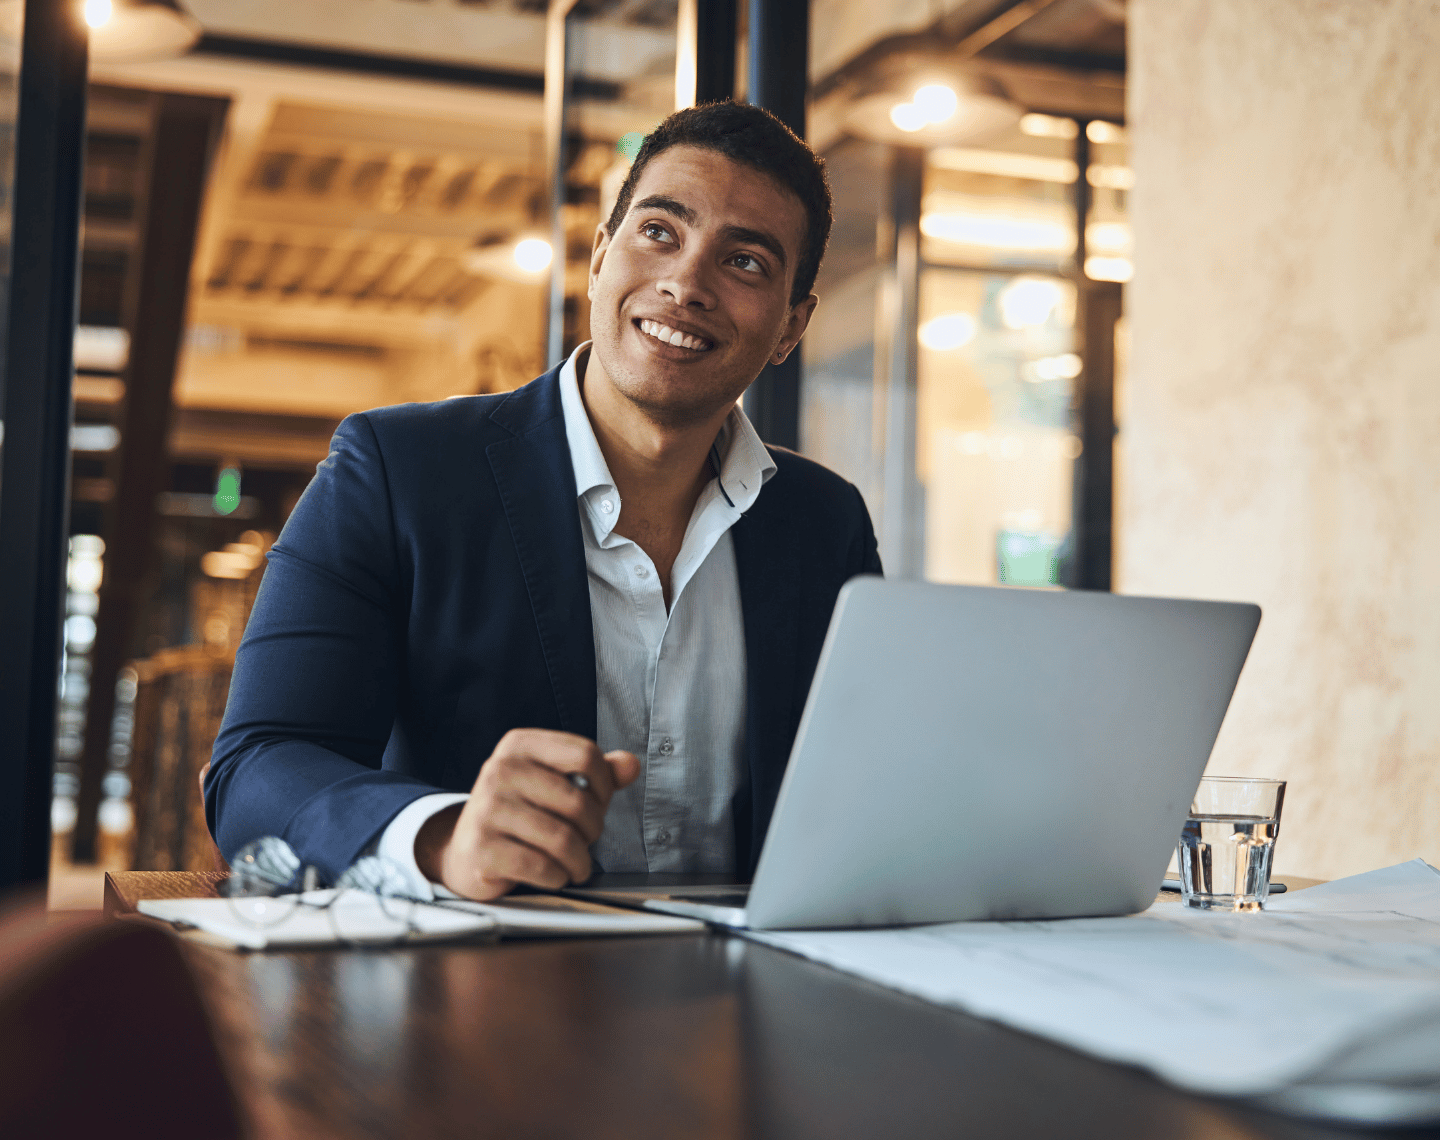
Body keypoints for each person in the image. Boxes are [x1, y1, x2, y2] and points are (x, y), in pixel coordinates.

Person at [206, 101, 881, 901]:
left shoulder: (826, 523)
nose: (685, 283)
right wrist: (444, 836)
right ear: (598, 259)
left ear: (791, 328)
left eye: (745, 263)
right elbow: (256, 767)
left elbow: (867, 784)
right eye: (659, 232)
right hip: (483, 965)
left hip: (752, 973)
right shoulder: (396, 470)